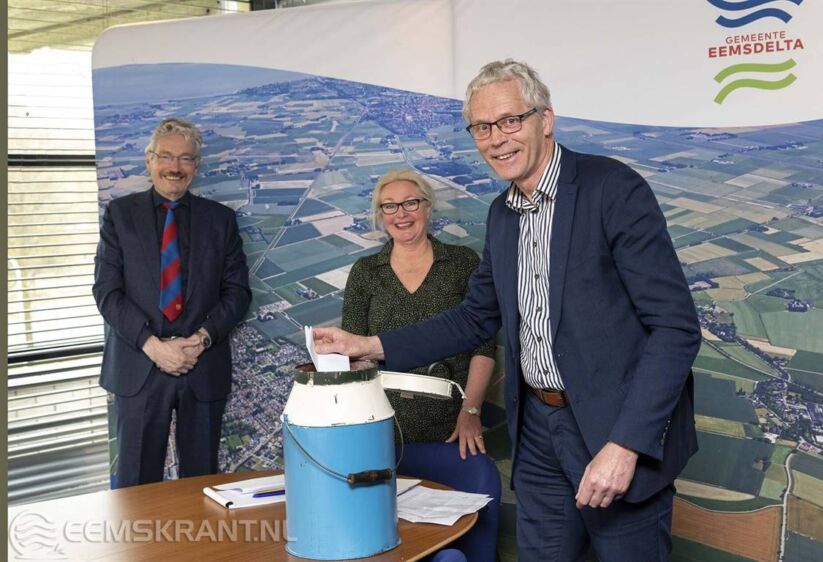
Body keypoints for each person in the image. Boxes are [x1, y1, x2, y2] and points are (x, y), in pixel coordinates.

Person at [314, 60, 701, 560]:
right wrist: (371, 345)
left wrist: (626, 444)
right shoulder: (502, 215)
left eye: (510, 121)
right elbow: (475, 316)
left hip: (612, 430)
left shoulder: (612, 189)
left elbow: (674, 328)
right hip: (539, 430)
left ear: (546, 119)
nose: (496, 139)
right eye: (482, 127)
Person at [93, 118, 251, 488]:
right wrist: (153, 347)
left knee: (201, 483)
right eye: (165, 156)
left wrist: (200, 341)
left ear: (196, 166)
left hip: (202, 364)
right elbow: (107, 292)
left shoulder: (221, 220)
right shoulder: (120, 215)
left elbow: (238, 292)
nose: (174, 168)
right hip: (139, 367)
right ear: (150, 160)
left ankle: (197, 547)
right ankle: (139, 548)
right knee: (136, 484)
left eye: (184, 159)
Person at [342, 168, 496, 458]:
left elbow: (484, 344)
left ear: (427, 206)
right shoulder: (364, 272)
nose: (401, 213)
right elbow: (353, 355)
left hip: (453, 425)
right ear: (381, 214)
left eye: (410, 202)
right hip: (382, 424)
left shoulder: (462, 262)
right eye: (389, 206)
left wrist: (471, 410)